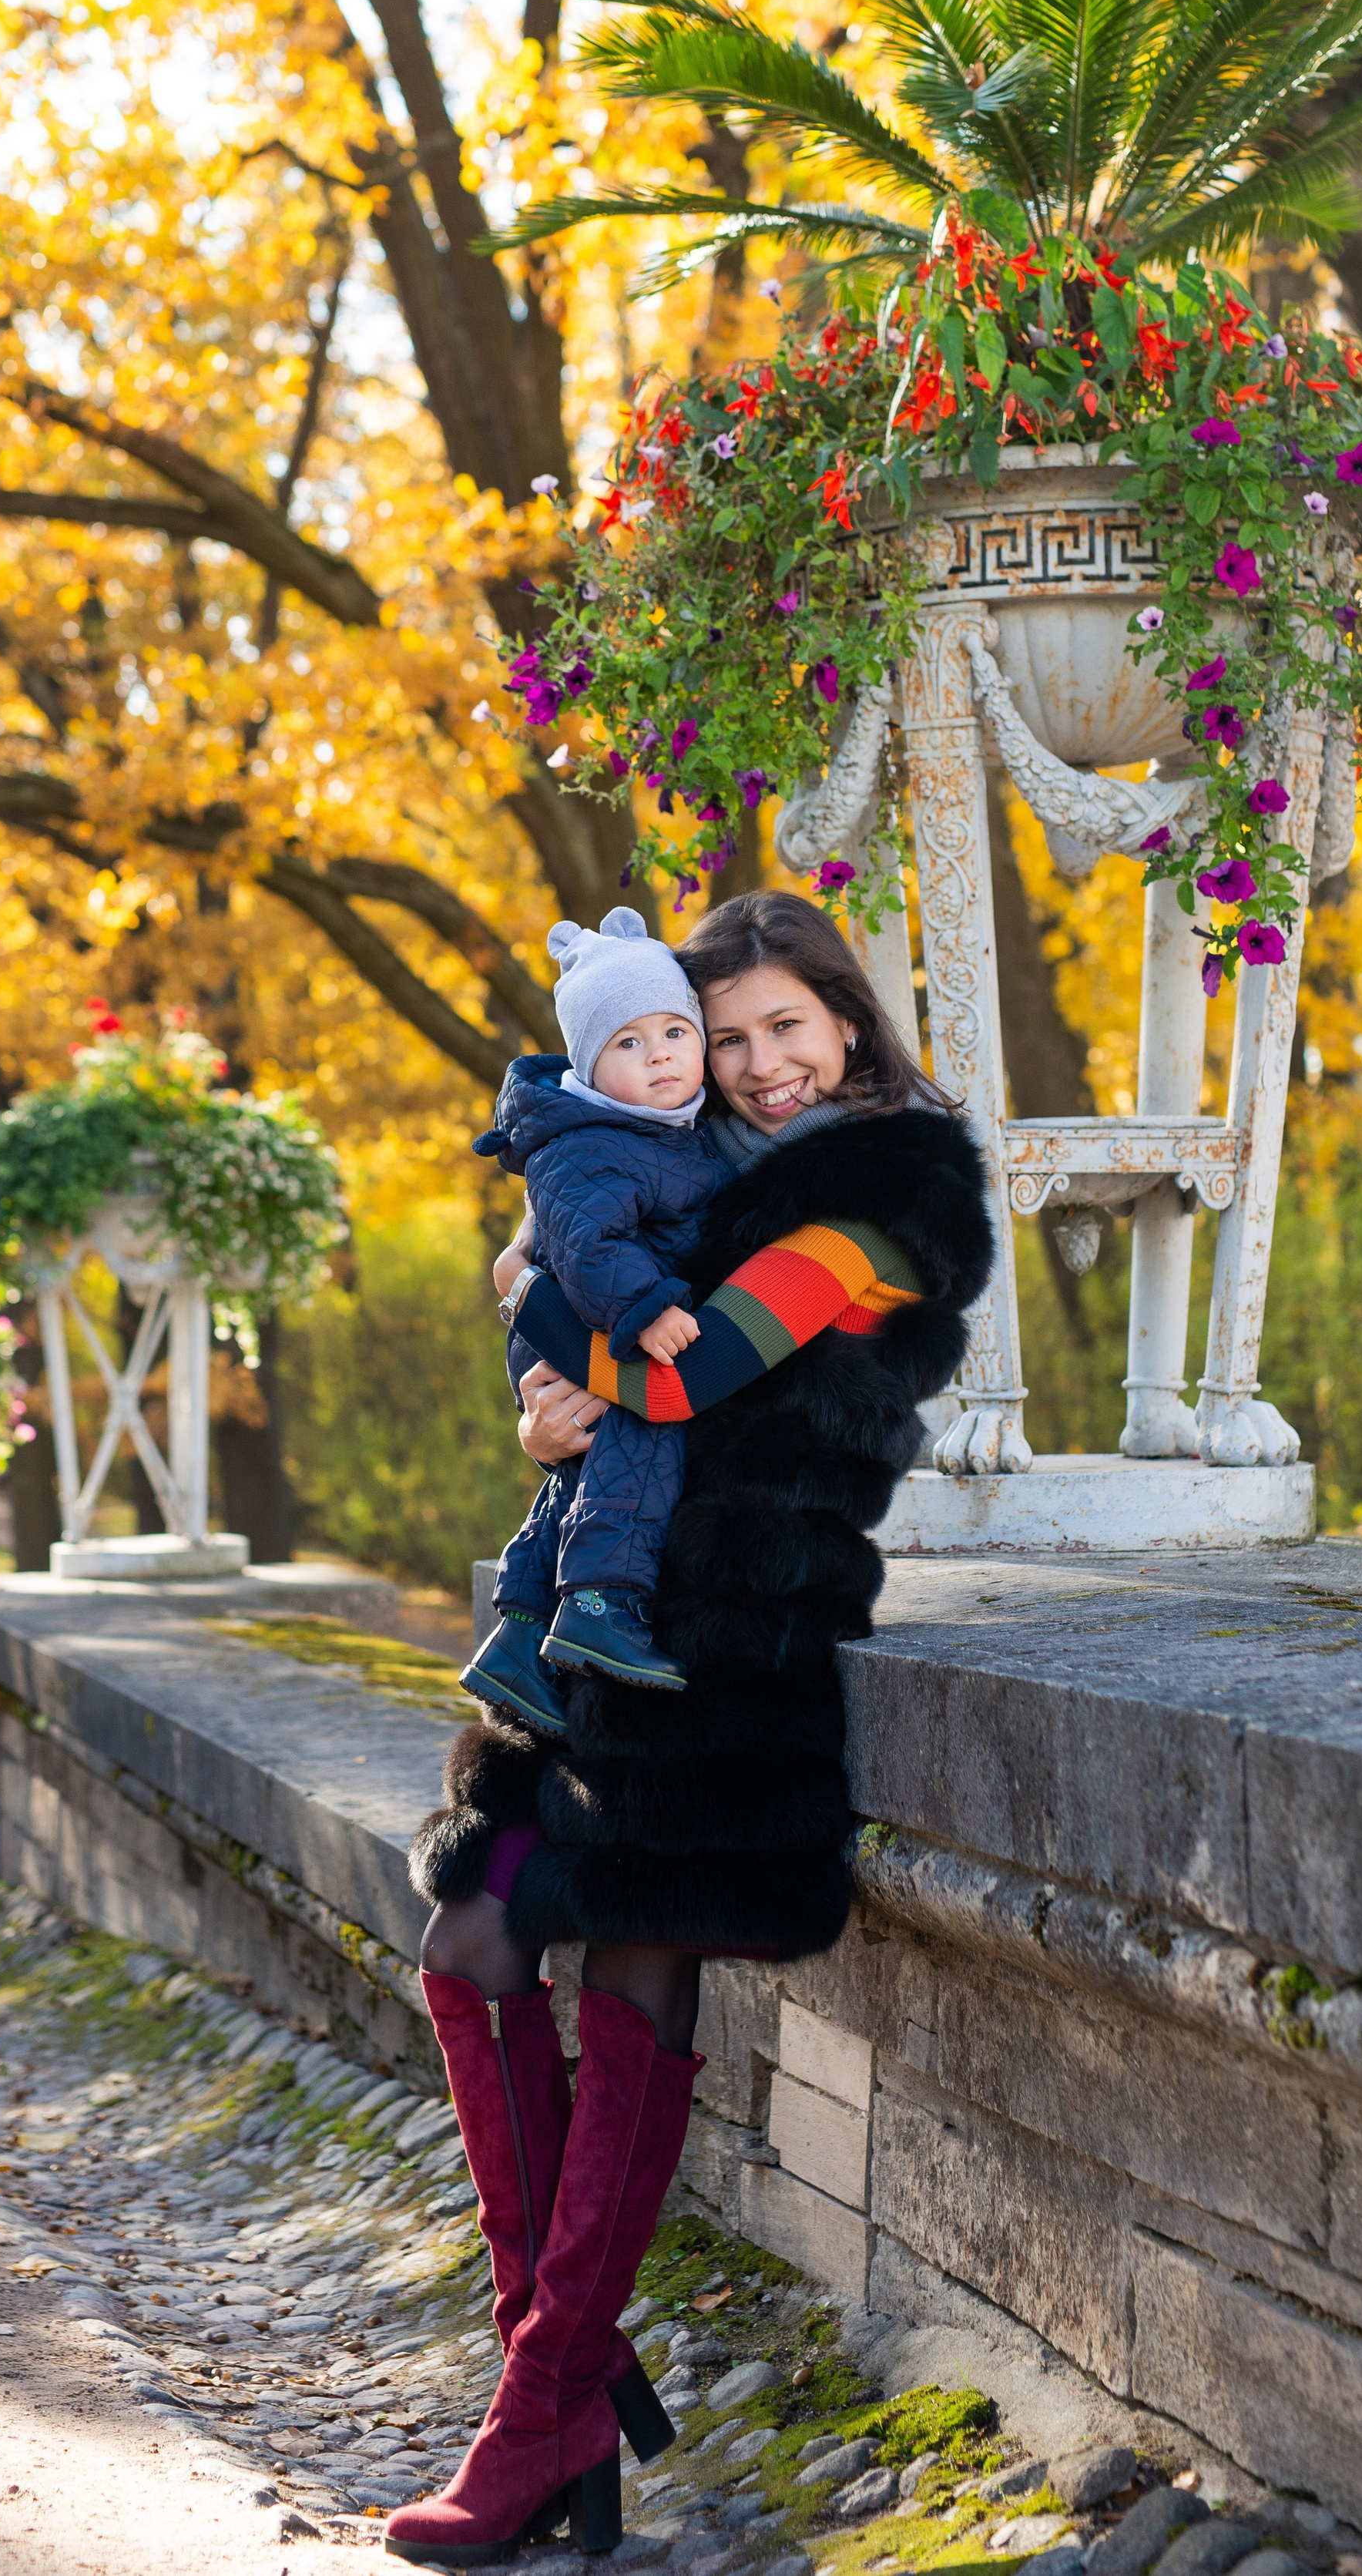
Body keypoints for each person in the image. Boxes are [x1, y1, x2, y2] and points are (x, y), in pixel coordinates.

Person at [384, 892, 995, 2568]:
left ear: (849, 1025)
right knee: (468, 1941)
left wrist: (542, 1311)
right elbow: (608, 1362)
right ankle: (558, 2380)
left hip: (734, 1647)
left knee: (629, 1971)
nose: (754, 1064)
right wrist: (541, 1388)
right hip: (609, 1627)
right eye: (724, 1041)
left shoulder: (896, 1188)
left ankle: (535, 2409)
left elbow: (687, 1371)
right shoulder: (693, 1170)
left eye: (783, 1027)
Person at [463, 907, 723, 1730]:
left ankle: (520, 1633)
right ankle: (601, 1604)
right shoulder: (592, 1141)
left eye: (676, 1033)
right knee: (643, 1436)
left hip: (578, 1318)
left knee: (589, 1464)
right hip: (586, 1319)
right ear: (589, 1063)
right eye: (629, 1044)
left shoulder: (658, 1128)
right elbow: (584, 1241)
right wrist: (645, 1308)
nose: (660, 1058)